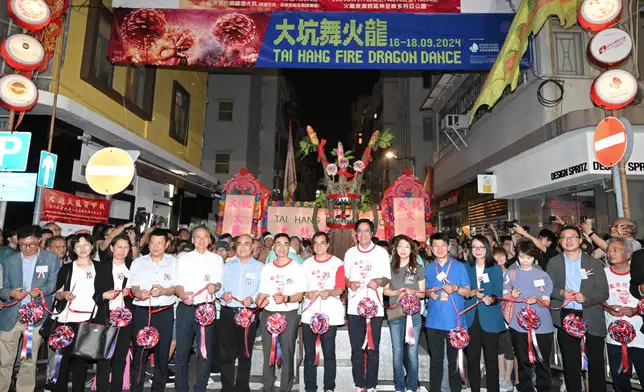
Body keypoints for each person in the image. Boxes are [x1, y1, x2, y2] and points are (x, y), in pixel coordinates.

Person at [546, 225, 609, 392]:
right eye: (564, 237)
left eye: (573, 237)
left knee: (595, 362)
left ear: (580, 241)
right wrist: (560, 292)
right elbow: (546, 288)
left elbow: (603, 291)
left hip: (590, 314)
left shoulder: (593, 263)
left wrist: (586, 298)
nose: (568, 240)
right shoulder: (554, 262)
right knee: (570, 361)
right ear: (559, 242)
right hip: (566, 314)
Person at [0, 225, 60, 392]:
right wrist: (10, 293)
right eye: (22, 245)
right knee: (4, 361)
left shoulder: (51, 258)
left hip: (36, 317)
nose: (27, 248)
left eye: (32, 244)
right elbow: (3, 288)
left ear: (39, 241)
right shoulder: (9, 260)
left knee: (29, 360)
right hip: (11, 316)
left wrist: (41, 291)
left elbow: (52, 284)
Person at [128, 229, 178, 392]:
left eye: (159, 243)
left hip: (164, 312)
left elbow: (177, 287)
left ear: (167, 244)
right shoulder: (138, 262)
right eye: (152, 242)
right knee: (140, 353)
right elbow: (133, 286)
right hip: (143, 311)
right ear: (148, 243)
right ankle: (136, 388)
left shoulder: (175, 262)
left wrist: (164, 291)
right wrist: (137, 293)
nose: (155, 246)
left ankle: (158, 388)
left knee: (162, 355)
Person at [344, 219, 391, 392]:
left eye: (366, 231)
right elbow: (345, 278)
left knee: (372, 348)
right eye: (360, 231)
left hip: (374, 308)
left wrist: (378, 281)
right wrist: (349, 284)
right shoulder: (350, 253)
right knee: (356, 349)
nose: (363, 234)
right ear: (356, 234)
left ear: (372, 233)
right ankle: (359, 384)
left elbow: (387, 278)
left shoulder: (381, 253)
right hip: (354, 307)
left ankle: (371, 385)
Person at [175, 226, 223, 392]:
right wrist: (182, 295)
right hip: (186, 308)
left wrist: (215, 287)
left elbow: (219, 282)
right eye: (198, 237)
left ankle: (200, 388)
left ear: (210, 240)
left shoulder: (217, 259)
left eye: (205, 237)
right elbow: (178, 284)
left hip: (206, 309)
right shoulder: (183, 258)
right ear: (192, 240)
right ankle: (181, 388)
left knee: (205, 352)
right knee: (182, 351)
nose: (202, 240)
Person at [256, 233, 306, 392]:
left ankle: (286, 387)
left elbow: (300, 295)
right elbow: (260, 294)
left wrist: (286, 298)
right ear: (273, 247)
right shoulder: (267, 268)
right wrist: (259, 300)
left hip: (288, 314)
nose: (282, 247)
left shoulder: (297, 268)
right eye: (278, 244)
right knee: (268, 354)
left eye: (285, 244)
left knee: (287, 353)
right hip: (268, 314)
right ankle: (267, 387)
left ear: (289, 247)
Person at [504, 241, 554, 392]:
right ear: (517, 256)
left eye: (529, 257)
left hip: (542, 326)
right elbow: (503, 294)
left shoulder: (543, 275)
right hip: (518, 325)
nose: (525, 260)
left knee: (543, 362)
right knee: (523, 362)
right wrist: (510, 294)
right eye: (522, 257)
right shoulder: (511, 274)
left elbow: (547, 301)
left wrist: (538, 300)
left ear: (535, 257)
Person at [425, 232, 470, 392]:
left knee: (454, 362)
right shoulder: (429, 268)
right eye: (435, 246)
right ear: (430, 248)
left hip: (454, 321)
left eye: (442, 245)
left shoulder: (459, 266)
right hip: (433, 322)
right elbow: (424, 290)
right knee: (436, 361)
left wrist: (456, 288)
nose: (439, 249)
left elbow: (468, 291)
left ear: (448, 247)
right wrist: (428, 292)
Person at [53, 233, 98, 392]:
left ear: (92, 247)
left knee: (81, 363)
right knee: (63, 361)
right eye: (78, 245)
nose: (82, 248)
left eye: (86, 245)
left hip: (89, 320)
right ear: (73, 248)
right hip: (67, 319)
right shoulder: (66, 268)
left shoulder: (99, 267)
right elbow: (57, 293)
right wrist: (63, 295)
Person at [301, 232, 346, 392]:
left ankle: (329, 387)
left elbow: (340, 288)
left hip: (329, 314)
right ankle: (310, 387)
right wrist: (308, 294)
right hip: (310, 314)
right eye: (316, 243)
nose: (319, 246)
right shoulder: (306, 264)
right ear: (312, 246)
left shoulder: (337, 263)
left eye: (322, 243)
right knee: (309, 355)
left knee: (329, 353)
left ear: (328, 245)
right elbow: (301, 290)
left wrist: (331, 292)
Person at [219, 234, 263, 392]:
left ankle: (242, 387)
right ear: (235, 247)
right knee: (226, 353)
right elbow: (219, 287)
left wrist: (252, 298)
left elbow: (263, 290)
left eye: (247, 244)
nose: (243, 247)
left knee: (245, 352)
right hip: (227, 312)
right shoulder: (226, 265)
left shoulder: (260, 267)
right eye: (240, 244)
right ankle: (227, 388)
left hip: (248, 313)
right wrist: (222, 294)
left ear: (252, 248)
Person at [383, 235, 425, 392]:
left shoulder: (418, 268)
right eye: (400, 246)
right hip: (395, 314)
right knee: (397, 353)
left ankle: (412, 386)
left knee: (412, 354)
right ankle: (399, 386)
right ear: (395, 248)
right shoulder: (390, 267)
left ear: (412, 249)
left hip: (413, 316)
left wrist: (411, 292)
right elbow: (385, 291)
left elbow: (422, 293)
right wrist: (396, 292)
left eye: (406, 247)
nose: (403, 250)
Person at [94, 235, 135, 392]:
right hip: (106, 317)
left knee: (120, 358)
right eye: (119, 247)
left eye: (126, 247)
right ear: (111, 248)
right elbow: (95, 295)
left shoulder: (133, 267)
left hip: (126, 318)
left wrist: (130, 293)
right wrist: (105, 295)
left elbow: (138, 292)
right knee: (104, 358)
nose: (122, 251)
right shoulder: (102, 267)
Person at [464, 235, 504, 392]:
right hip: (470, 319)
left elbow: (498, 293)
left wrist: (491, 299)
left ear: (488, 249)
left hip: (490, 319)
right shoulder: (466, 268)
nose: (478, 250)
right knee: (472, 360)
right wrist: (471, 293)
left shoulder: (495, 268)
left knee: (491, 362)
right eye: (474, 247)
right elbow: (463, 291)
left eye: (481, 247)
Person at [603, 238, 644, 392]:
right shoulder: (603, 273)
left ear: (628, 254)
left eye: (616, 249)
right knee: (619, 376)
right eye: (608, 250)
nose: (610, 253)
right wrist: (608, 308)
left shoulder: (639, 272)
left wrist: (636, 310)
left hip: (639, 334)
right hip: (614, 335)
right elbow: (599, 297)